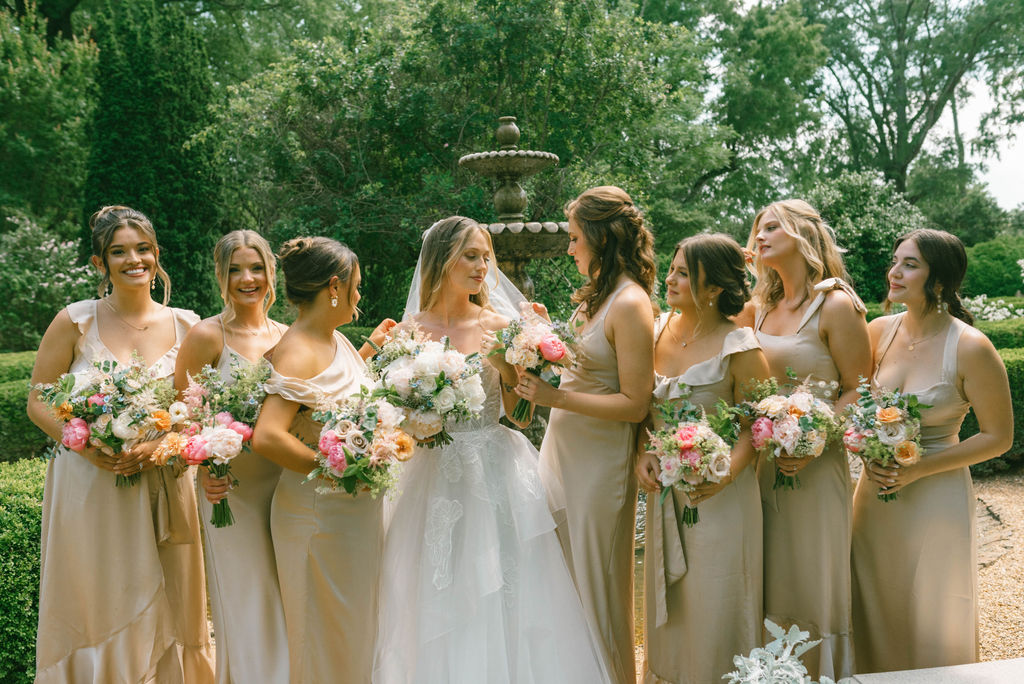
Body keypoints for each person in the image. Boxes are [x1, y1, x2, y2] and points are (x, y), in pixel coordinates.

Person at [372, 216, 609, 684]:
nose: (484, 267)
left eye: (487, 257)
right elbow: (388, 412)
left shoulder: (501, 325)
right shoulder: (406, 331)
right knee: (431, 592)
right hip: (429, 474)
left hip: (495, 470)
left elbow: (520, 416)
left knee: (506, 590)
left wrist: (505, 366)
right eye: (472, 256)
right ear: (441, 260)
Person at [28, 205, 214, 683]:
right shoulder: (74, 322)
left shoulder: (187, 326)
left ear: (157, 255)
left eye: (143, 249)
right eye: (119, 252)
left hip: (162, 483)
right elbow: (38, 402)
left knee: (169, 594)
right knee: (96, 592)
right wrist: (87, 447)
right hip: (89, 483)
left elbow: (198, 409)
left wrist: (161, 446)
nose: (134, 259)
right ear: (99, 263)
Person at [851, 229, 1012, 673]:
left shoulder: (971, 347)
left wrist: (919, 469)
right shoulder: (877, 332)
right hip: (873, 494)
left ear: (939, 281)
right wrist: (867, 452)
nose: (894, 272)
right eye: (896, 260)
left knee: (934, 605)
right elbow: (858, 407)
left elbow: (999, 436)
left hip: (935, 496)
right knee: (872, 597)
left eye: (910, 265)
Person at [519, 186, 656, 684]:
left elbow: (635, 403)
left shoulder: (630, 304)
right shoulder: (594, 300)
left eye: (576, 238)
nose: (570, 248)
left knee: (599, 587)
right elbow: (582, 369)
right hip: (563, 453)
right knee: (567, 585)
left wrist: (554, 399)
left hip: (601, 466)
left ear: (600, 237)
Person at [735, 199, 870, 680]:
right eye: (757, 229)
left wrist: (812, 439)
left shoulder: (835, 305)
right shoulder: (758, 308)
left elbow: (859, 386)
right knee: (767, 578)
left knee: (812, 578)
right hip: (761, 463)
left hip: (817, 467)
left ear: (802, 235)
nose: (760, 237)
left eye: (772, 227)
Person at [250, 236, 394, 683]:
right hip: (319, 518)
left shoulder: (336, 341)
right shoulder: (298, 347)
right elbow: (267, 436)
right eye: (356, 286)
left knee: (353, 635)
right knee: (322, 641)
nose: (359, 296)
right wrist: (335, 468)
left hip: (353, 517)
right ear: (335, 286)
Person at [635, 233, 768, 684]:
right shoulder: (652, 333)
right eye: (672, 269)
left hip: (722, 498)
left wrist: (725, 474)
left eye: (684, 274)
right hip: (667, 494)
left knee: (717, 598)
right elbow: (639, 409)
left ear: (714, 289)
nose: (669, 279)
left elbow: (757, 426)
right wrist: (643, 453)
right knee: (672, 611)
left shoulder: (741, 347)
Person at [174, 230, 289, 683]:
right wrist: (203, 468)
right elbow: (181, 414)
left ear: (270, 273)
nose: (248, 278)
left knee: (286, 589)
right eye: (236, 269)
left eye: (257, 267)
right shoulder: (207, 335)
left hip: (284, 481)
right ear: (221, 276)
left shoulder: (286, 335)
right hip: (230, 489)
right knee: (248, 594)